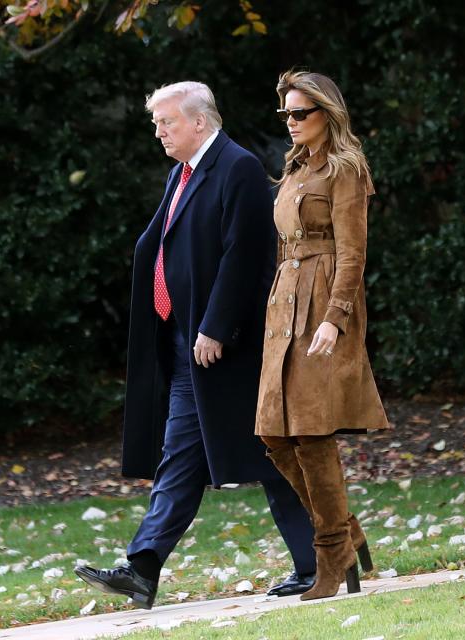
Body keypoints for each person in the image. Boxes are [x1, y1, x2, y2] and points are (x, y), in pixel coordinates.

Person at [74, 81, 317, 608]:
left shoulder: (238, 167)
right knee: (180, 457)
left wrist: (216, 326)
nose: (159, 131)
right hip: (189, 342)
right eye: (157, 123)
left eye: (167, 122)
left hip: (233, 346)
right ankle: (142, 568)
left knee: (274, 455)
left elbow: (245, 254)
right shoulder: (180, 174)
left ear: (199, 122)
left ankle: (323, 559)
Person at [256, 70, 390, 601]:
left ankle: (331, 553)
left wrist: (336, 316)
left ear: (326, 114)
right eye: (285, 114)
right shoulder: (296, 167)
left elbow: (353, 251)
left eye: (300, 114)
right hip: (284, 303)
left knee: (312, 433)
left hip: (324, 304)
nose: (290, 123)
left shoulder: (345, 170)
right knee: (272, 433)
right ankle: (346, 532)